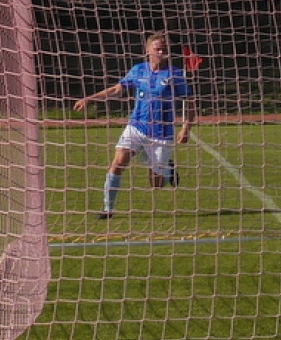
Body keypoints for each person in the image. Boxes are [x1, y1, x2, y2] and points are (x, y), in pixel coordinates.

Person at [74, 32, 194, 220]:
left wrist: (186, 127)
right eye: (157, 48)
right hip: (137, 126)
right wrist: (90, 98)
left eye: (164, 49)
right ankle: (108, 209)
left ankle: (168, 171)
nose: (161, 52)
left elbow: (190, 100)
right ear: (148, 51)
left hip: (162, 133)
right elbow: (116, 89)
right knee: (118, 162)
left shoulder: (174, 74)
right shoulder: (138, 70)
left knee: (155, 184)